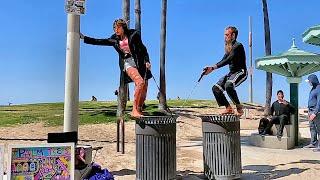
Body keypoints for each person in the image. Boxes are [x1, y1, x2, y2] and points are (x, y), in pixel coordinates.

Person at [80, 18, 152, 118]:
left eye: (118, 27)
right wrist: (84, 38)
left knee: (144, 87)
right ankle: (134, 110)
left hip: (140, 63)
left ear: (123, 27)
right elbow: (101, 41)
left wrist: (147, 61)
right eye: (114, 28)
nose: (116, 30)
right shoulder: (114, 39)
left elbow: (143, 49)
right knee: (140, 82)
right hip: (128, 63)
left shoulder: (134, 35)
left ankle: (139, 109)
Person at [203, 26, 247, 116]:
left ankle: (239, 107)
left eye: (227, 35)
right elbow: (223, 60)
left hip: (241, 72)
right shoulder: (229, 48)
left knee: (229, 85)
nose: (225, 37)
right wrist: (210, 68)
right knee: (215, 88)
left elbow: (228, 60)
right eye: (224, 35)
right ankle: (228, 108)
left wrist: (213, 68)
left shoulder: (238, 46)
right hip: (231, 74)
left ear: (233, 35)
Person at [303, 74, 320, 151]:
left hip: (316, 113)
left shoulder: (319, 88)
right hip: (310, 111)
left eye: (309, 81)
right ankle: (313, 143)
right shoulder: (313, 88)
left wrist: (314, 113)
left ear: (313, 80)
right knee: (312, 128)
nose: (308, 83)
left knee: (319, 129)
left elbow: (319, 103)